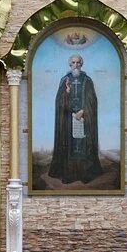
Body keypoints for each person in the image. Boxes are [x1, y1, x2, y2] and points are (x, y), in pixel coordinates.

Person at [49, 53, 103, 183]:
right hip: (68, 120)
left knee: (83, 145)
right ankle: (69, 174)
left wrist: (84, 111)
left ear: (81, 64)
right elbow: (59, 101)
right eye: (73, 62)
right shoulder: (64, 80)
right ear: (69, 64)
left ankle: (85, 174)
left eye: (78, 62)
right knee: (69, 145)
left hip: (84, 119)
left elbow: (92, 101)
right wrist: (67, 92)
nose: (76, 65)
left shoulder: (87, 80)